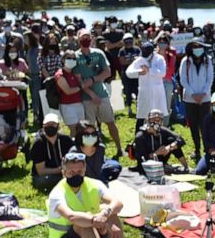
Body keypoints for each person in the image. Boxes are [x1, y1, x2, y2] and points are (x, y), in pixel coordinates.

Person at [46, 151, 134, 238]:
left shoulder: (95, 184)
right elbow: (71, 216)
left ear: (85, 170)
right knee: (83, 221)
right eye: (71, 172)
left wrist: (105, 214)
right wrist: (95, 220)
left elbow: (117, 203)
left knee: (109, 211)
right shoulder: (57, 193)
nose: (76, 175)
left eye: (79, 171)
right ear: (63, 173)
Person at [74, 30, 121, 159]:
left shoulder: (99, 53)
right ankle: (92, 152)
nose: (86, 39)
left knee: (110, 122)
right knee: (89, 128)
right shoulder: (75, 56)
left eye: (88, 37)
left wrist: (93, 79)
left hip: (102, 94)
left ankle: (119, 148)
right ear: (78, 39)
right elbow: (80, 82)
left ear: (92, 38)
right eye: (83, 37)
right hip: (86, 98)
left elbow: (107, 72)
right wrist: (92, 95)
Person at [179, 39, 213, 159]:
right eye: (195, 47)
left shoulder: (208, 60)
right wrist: (193, 94)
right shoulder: (186, 61)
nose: (198, 49)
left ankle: (207, 148)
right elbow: (183, 79)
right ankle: (197, 149)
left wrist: (203, 94)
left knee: (205, 125)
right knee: (193, 125)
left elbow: (210, 79)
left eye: (200, 47)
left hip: (205, 98)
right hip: (190, 98)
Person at [128, 41, 167, 130]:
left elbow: (162, 73)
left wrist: (149, 70)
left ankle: (158, 138)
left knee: (158, 116)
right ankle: (138, 139)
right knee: (142, 117)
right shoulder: (140, 60)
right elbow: (129, 72)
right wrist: (138, 72)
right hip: (144, 92)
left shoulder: (159, 59)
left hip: (157, 92)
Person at [30, 113, 73, 191]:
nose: (50, 126)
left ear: (58, 126)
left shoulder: (66, 140)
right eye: (47, 124)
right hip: (46, 176)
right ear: (43, 127)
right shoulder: (38, 144)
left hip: (66, 173)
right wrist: (60, 170)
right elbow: (41, 171)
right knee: (42, 181)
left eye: (53, 124)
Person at [54, 50, 87, 136]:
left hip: (79, 104)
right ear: (63, 60)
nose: (71, 60)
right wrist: (81, 87)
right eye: (69, 58)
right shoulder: (60, 75)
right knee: (73, 129)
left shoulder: (75, 73)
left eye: (74, 58)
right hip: (67, 106)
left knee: (81, 128)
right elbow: (68, 91)